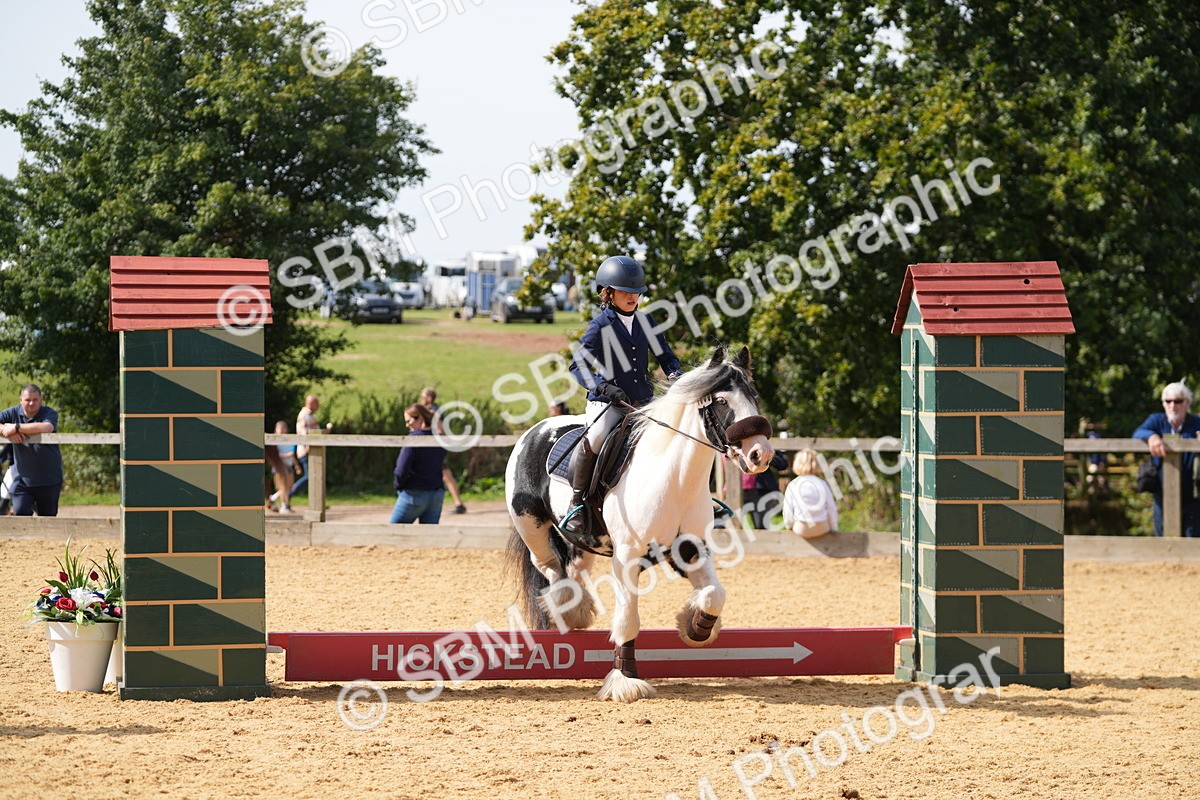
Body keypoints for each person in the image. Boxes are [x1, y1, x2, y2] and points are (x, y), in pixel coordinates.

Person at [564, 254, 682, 533]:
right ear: (608, 293)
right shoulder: (600, 326)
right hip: (609, 403)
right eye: (626, 292)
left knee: (678, 435)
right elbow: (576, 365)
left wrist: (675, 374)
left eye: (636, 293)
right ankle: (576, 501)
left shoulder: (646, 322)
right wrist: (601, 386)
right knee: (595, 438)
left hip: (643, 401)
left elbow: (666, 357)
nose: (632, 297)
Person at [1132, 381, 1200, 537]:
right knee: (1164, 543)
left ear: (1187, 403)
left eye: (1178, 401)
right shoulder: (1156, 420)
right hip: (1162, 496)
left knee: (1193, 545)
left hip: (1194, 497)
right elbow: (1138, 432)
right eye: (1168, 401)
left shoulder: (1197, 422)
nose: (1172, 405)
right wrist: (1151, 436)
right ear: (1163, 404)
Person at [0, 384, 64, 517]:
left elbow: (47, 427)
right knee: (20, 513)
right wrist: (6, 431)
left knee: (48, 518)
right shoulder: (12, 412)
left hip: (49, 478)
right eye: (28, 399)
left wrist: (16, 427)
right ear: (20, 400)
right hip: (22, 477)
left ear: (41, 400)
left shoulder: (49, 413)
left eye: (35, 400)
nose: (31, 403)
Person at [389, 404, 448, 524]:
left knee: (392, 535)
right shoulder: (440, 439)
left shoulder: (413, 439)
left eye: (408, 420)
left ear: (420, 418)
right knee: (429, 538)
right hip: (435, 495)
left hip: (413, 494)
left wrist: (399, 486)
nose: (407, 425)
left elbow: (401, 469)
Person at [420, 387, 467, 514]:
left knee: (445, 475)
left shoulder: (433, 412)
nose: (421, 399)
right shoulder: (434, 410)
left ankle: (458, 503)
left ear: (429, 398)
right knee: (443, 475)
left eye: (423, 397)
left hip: (436, 448)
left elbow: (442, 430)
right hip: (435, 448)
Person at [782, 449, 838, 539]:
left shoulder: (793, 484)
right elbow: (831, 508)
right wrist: (834, 528)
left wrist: (789, 526)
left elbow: (787, 510)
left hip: (801, 528)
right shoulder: (822, 484)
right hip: (822, 527)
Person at [290, 394, 330, 499]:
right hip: (306, 450)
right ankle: (289, 493)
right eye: (317, 403)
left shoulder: (312, 415)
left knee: (316, 476)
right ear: (312, 403)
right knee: (309, 476)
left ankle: (318, 500)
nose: (319, 406)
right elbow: (304, 432)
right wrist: (307, 446)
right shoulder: (304, 415)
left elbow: (315, 431)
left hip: (313, 449)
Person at [741, 450, 790, 529]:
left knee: (760, 525)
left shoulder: (765, 446)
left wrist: (768, 453)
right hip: (738, 490)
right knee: (732, 524)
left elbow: (782, 465)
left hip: (760, 490)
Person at [267, 420, 296, 513]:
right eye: (280, 428)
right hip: (280, 466)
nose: (282, 430)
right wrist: (287, 456)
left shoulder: (288, 440)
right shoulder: (274, 441)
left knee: (289, 487)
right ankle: (284, 505)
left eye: (283, 428)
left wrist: (296, 465)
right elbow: (275, 456)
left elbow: (292, 455)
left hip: (288, 465)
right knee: (283, 486)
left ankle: (273, 497)